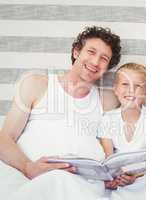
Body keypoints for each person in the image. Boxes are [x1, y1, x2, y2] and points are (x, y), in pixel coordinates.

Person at [0, 26, 121, 200]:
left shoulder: (107, 100)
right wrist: (28, 167)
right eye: (91, 52)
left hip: (81, 185)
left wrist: (115, 173)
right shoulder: (36, 84)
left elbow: (113, 147)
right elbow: (4, 137)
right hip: (30, 178)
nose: (95, 62)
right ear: (76, 52)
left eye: (104, 58)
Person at [98, 63, 146, 199]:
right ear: (115, 89)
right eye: (125, 84)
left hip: (144, 177)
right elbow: (108, 159)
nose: (131, 90)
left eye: (138, 86)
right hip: (118, 178)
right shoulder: (108, 119)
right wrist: (114, 177)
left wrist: (134, 176)